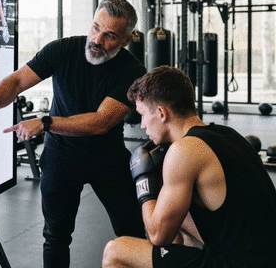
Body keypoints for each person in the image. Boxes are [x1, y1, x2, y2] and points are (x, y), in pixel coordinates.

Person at [0, 0, 147, 267]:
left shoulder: (132, 72)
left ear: (126, 40)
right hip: (61, 157)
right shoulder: (63, 50)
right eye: (95, 28)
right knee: (56, 236)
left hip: (107, 158)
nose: (97, 39)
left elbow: (100, 122)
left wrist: (45, 123)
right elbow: (17, 81)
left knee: (132, 232)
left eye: (110, 36)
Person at [102, 66, 276, 268]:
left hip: (240, 262)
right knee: (176, 222)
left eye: (142, 114)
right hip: (264, 256)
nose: (142, 125)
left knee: (115, 251)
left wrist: (144, 183)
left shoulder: (184, 150)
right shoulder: (226, 134)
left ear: (161, 113)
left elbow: (157, 235)